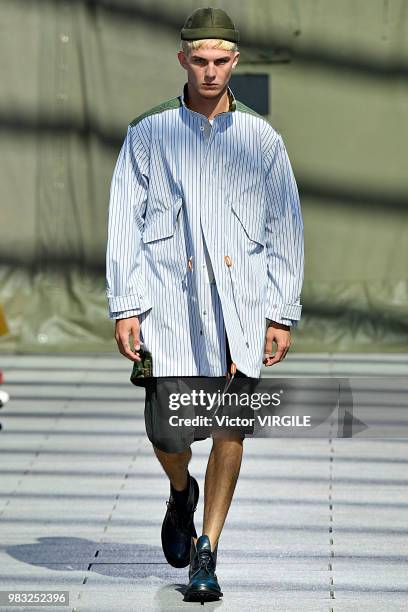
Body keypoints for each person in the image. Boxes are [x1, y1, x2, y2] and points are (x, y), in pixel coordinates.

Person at [105, 7, 304, 604]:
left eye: (221, 61)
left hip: (240, 309)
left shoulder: (262, 139)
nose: (211, 71)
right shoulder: (148, 133)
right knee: (169, 434)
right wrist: (126, 305)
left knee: (229, 429)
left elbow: (285, 226)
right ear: (182, 60)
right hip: (169, 307)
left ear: (235, 61)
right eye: (200, 61)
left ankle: (207, 552)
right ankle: (179, 493)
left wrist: (280, 311)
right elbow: (123, 224)